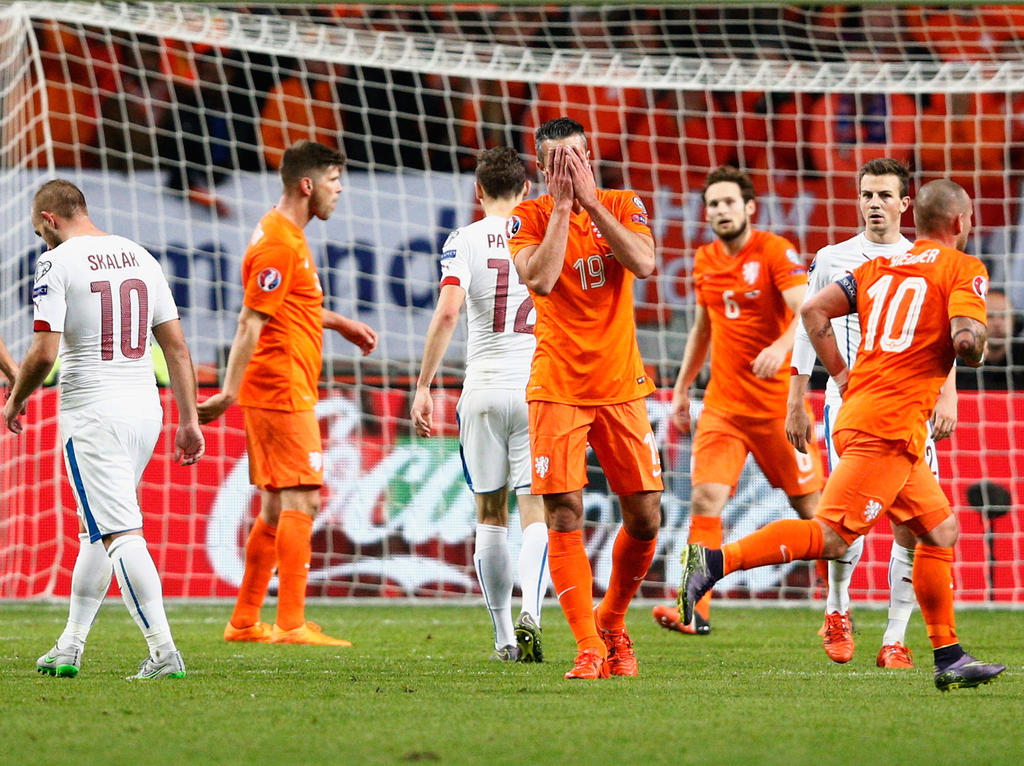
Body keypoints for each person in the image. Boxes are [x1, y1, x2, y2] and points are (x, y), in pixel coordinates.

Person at [678, 179, 1006, 692]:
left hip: (861, 411)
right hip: (889, 427)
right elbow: (967, 340)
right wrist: (974, 343)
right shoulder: (964, 269)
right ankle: (715, 562)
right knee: (831, 537)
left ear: (911, 217)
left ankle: (949, 655)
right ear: (963, 223)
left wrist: (841, 376)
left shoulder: (873, 268)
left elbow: (812, 312)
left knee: (939, 532)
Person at [3, 179, 204, 679]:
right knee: (97, 529)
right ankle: (69, 646)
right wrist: (190, 419)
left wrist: (16, 397)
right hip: (146, 411)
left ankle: (163, 653)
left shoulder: (56, 261)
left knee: (118, 532)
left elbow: (44, 352)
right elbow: (176, 348)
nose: (41, 243)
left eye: (38, 232)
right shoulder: (140, 255)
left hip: (94, 409)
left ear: (49, 218)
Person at [198, 140, 377, 646]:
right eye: (334, 181)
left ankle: (244, 621)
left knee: (278, 507)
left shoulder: (286, 235)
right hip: (279, 387)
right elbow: (249, 320)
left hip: (283, 384)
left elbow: (287, 306)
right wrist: (228, 391)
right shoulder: (278, 242)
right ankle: (292, 622)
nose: (339, 192)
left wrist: (339, 322)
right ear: (307, 184)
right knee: (304, 497)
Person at [507, 117, 662, 680]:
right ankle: (589, 647)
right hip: (558, 387)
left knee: (646, 516)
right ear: (542, 168)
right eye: (557, 161)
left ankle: (613, 620)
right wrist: (565, 209)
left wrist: (592, 205)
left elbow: (644, 265)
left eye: (577, 157)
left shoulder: (623, 204)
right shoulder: (525, 217)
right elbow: (542, 281)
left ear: (592, 157)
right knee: (564, 511)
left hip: (622, 385)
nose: (569, 168)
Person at [788, 158, 958, 667]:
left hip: (911, 404)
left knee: (913, 527)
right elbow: (805, 326)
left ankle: (894, 638)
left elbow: (943, 331)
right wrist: (799, 398)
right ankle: (838, 608)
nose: (874, 204)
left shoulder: (926, 258)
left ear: (906, 204)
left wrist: (947, 395)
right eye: (866, 195)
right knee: (848, 521)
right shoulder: (833, 257)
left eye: (885, 195)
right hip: (852, 403)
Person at [652, 165, 824, 636]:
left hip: (776, 411)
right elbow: (703, 328)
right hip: (723, 408)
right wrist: (684, 387)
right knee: (705, 501)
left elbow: (806, 312)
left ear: (749, 208)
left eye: (729, 202)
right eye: (713, 204)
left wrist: (779, 348)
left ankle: (837, 614)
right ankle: (694, 611)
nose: (721, 210)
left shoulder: (773, 251)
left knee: (817, 515)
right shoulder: (705, 258)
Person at [411, 146, 550, 662]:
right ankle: (532, 610)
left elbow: (448, 312)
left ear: (478, 191)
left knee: (490, 514)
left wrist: (424, 385)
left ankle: (503, 639)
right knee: (536, 511)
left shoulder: (463, 240)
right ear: (527, 191)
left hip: (483, 390)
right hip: (537, 388)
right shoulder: (544, 233)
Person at [956, 289, 1024, 390]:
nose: (997, 323)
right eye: (989, 316)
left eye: (1003, 316)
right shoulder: (962, 368)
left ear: (1014, 321)